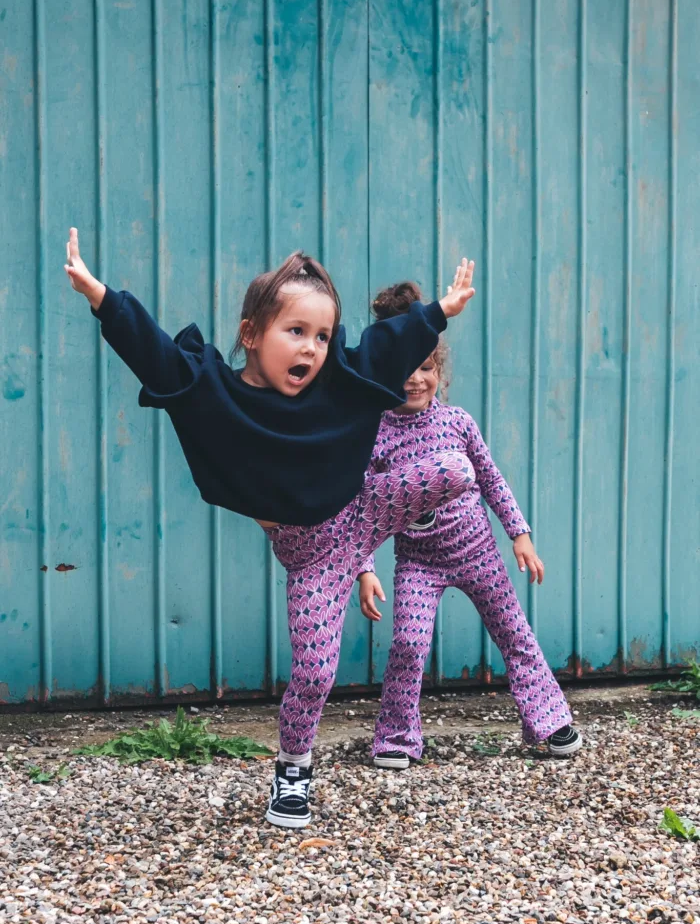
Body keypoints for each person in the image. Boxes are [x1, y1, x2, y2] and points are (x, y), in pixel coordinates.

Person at [65, 230, 477, 827]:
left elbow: (385, 351)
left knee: (455, 468)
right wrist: (102, 297)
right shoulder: (216, 392)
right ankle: (293, 769)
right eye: (296, 331)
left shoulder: (337, 385)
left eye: (322, 336)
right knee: (314, 674)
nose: (311, 346)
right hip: (313, 557)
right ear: (251, 334)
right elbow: (154, 353)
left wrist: (437, 313)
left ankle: (412, 545)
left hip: (362, 508)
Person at [357, 282, 582, 771]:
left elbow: (492, 478)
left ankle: (549, 720)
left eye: (425, 368)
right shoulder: (375, 435)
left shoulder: (458, 422)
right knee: (409, 645)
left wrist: (518, 533)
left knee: (514, 635)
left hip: (479, 554)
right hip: (418, 563)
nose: (414, 380)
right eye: (402, 370)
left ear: (439, 369)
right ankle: (397, 736)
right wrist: (365, 568)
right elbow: (364, 507)